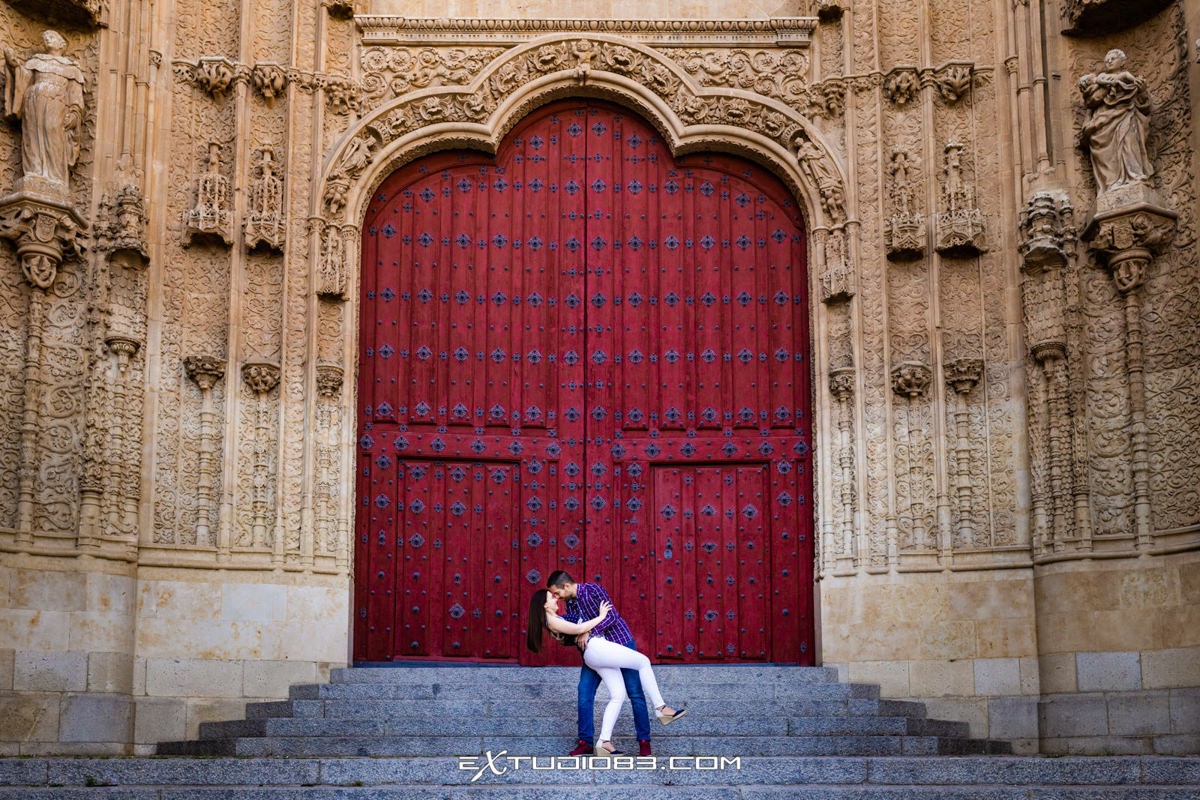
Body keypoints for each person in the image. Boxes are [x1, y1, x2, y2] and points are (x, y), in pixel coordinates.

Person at [527, 585, 687, 757]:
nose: (556, 598)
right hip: (597, 648)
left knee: (618, 694)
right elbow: (580, 629)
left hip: (595, 652)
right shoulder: (552, 620)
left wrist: (585, 629)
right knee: (643, 662)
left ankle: (604, 742)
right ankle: (661, 708)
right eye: (551, 597)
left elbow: (580, 626)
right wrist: (601, 616)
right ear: (544, 605)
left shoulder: (559, 617)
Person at [546, 570, 651, 756]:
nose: (557, 597)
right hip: (597, 652)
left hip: (620, 642)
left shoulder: (594, 590)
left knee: (635, 692)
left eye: (557, 592)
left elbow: (612, 616)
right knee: (584, 692)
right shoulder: (570, 604)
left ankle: (644, 742)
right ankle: (585, 741)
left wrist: (589, 632)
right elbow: (578, 631)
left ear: (567, 586)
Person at [3, 30, 85, 192]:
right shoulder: (36, 61)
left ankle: (55, 177)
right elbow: (24, 78)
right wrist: (14, 66)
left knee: (53, 135)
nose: (47, 38)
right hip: (33, 103)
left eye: (52, 37)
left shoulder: (72, 68)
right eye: (46, 37)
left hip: (57, 105)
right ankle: (34, 171)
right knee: (32, 135)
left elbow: (75, 96)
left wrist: (74, 114)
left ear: (62, 44)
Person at [1079, 49, 1153, 194]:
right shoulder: (1101, 80)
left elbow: (1145, 106)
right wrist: (1106, 87)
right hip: (1103, 122)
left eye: (1113, 58)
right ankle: (1111, 183)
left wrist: (1142, 91)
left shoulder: (1130, 80)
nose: (1109, 61)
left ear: (1122, 61)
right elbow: (1091, 101)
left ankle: (1134, 176)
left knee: (1129, 143)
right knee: (1104, 149)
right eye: (1107, 59)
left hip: (1125, 116)